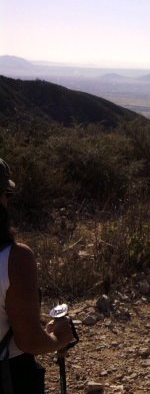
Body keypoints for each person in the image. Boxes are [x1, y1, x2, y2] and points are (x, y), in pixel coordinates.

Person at [0, 158, 75, 393]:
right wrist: (59, 339)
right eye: (7, 195)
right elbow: (29, 341)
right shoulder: (15, 259)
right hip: (10, 376)